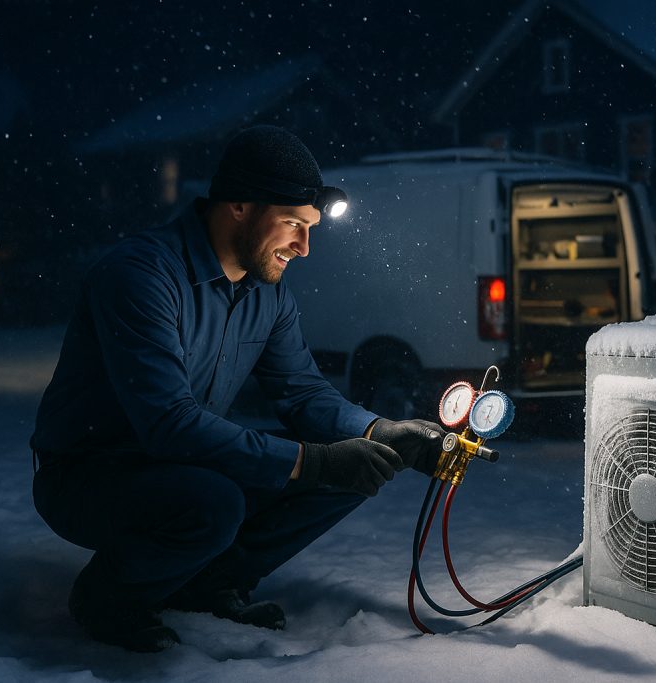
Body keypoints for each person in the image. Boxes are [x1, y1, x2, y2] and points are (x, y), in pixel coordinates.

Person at [30, 125, 446, 653]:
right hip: (89, 474)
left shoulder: (265, 295)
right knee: (216, 501)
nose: (304, 247)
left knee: (359, 465)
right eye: (293, 224)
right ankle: (108, 597)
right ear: (239, 207)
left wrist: (382, 431)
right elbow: (168, 424)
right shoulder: (141, 275)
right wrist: (314, 460)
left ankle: (206, 583)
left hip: (181, 462)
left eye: (311, 227)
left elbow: (303, 395)